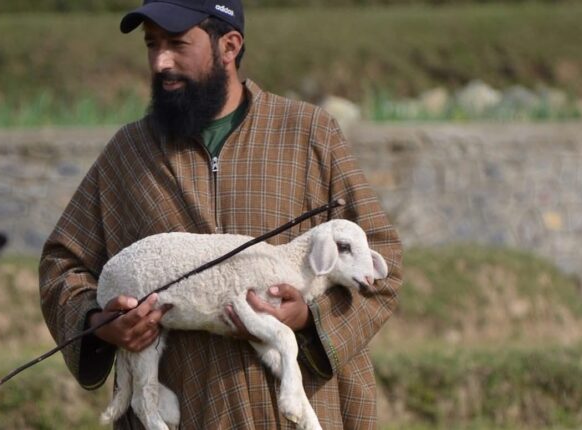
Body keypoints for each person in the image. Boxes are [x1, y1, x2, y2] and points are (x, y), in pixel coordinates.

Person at [39, 0, 403, 428]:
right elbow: (63, 265)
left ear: (229, 46)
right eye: (152, 44)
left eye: (177, 44)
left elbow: (384, 264)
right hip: (184, 415)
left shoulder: (308, 135)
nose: (160, 62)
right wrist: (100, 323)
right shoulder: (128, 153)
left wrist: (306, 318)